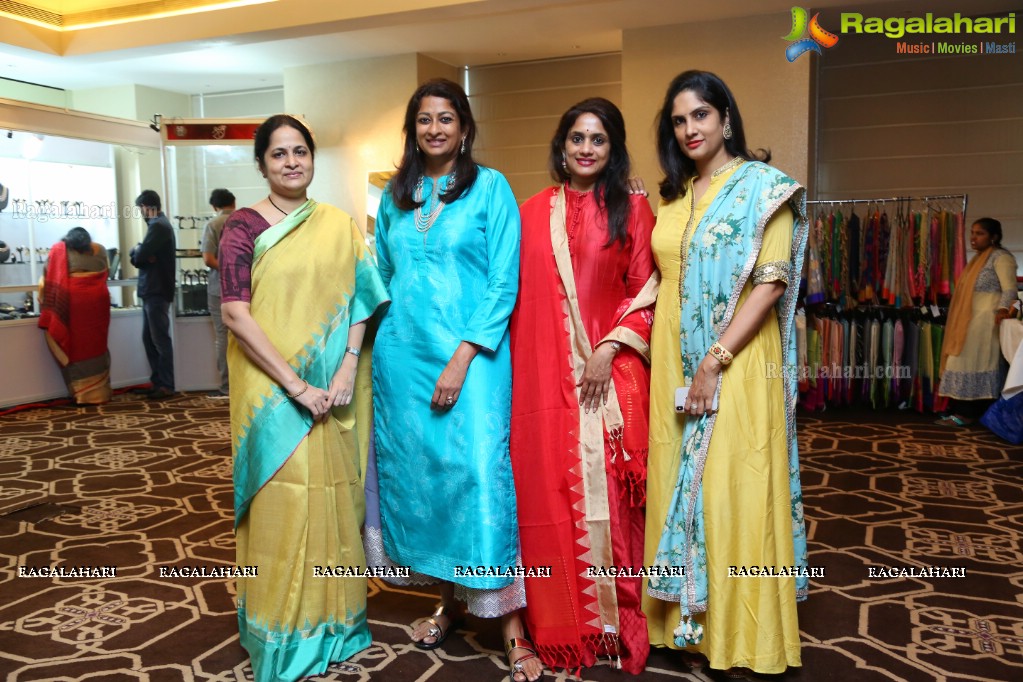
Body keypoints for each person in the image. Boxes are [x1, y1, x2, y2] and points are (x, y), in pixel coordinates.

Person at [642, 70, 810, 679]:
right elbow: (660, 280)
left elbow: (770, 283)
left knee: (732, 489)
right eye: (679, 120)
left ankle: (742, 636)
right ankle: (682, 630)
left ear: (726, 119)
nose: (690, 129)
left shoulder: (764, 189)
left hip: (736, 367)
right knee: (675, 485)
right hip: (672, 366)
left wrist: (716, 360)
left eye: (701, 115)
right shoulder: (676, 198)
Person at [219, 114, 388, 682]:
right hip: (271, 391)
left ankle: (335, 625)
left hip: (334, 391)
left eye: (300, 152)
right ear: (262, 164)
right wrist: (296, 386)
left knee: (335, 502)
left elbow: (362, 300)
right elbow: (235, 312)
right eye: (278, 155)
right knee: (281, 506)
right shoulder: (243, 228)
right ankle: (281, 633)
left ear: (312, 158)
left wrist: (342, 370)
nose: (292, 163)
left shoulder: (339, 225)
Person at [366, 78, 526, 677]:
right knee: (428, 481)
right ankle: (447, 601)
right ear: (414, 129)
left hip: (474, 358)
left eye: (446, 118)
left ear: (464, 127)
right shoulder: (396, 195)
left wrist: (460, 358)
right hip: (403, 360)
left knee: (480, 478)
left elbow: (503, 282)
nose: (435, 129)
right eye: (425, 120)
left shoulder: (490, 189)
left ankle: (511, 625)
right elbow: (381, 275)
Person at [506, 97, 656, 679]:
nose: (586, 148)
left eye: (598, 139)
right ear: (561, 145)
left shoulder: (631, 207)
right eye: (576, 138)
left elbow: (647, 288)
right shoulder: (529, 211)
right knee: (547, 502)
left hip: (604, 384)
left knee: (613, 512)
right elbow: (508, 291)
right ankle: (563, 630)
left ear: (612, 149)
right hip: (542, 384)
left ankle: (615, 629)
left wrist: (611, 345)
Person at [937, 217, 1019, 426]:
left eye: (979, 233)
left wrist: (1002, 309)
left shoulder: (1001, 257)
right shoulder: (977, 259)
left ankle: (967, 414)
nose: (973, 238)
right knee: (959, 361)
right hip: (966, 320)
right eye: (972, 233)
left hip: (984, 322)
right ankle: (960, 411)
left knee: (975, 364)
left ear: (994, 237)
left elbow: (1010, 289)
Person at [38, 226, 112, 404]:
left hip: (73, 303)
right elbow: (106, 272)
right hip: (98, 302)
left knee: (76, 347)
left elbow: (48, 276)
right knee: (96, 343)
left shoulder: (59, 249)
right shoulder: (100, 249)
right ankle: (101, 392)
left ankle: (82, 394)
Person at [131, 189, 176, 399]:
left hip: (155, 290)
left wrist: (137, 251)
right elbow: (143, 255)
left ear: (145, 207)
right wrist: (140, 251)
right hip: (154, 290)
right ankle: (159, 382)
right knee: (150, 339)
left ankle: (165, 384)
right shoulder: (160, 225)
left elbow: (139, 257)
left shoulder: (158, 226)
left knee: (158, 339)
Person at [202, 187, 236, 396]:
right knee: (245, 336)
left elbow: (208, 258)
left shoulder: (213, 224)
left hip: (220, 288)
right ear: (234, 202)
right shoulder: (247, 221)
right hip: (246, 287)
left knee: (223, 336)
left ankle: (226, 387)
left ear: (215, 206)